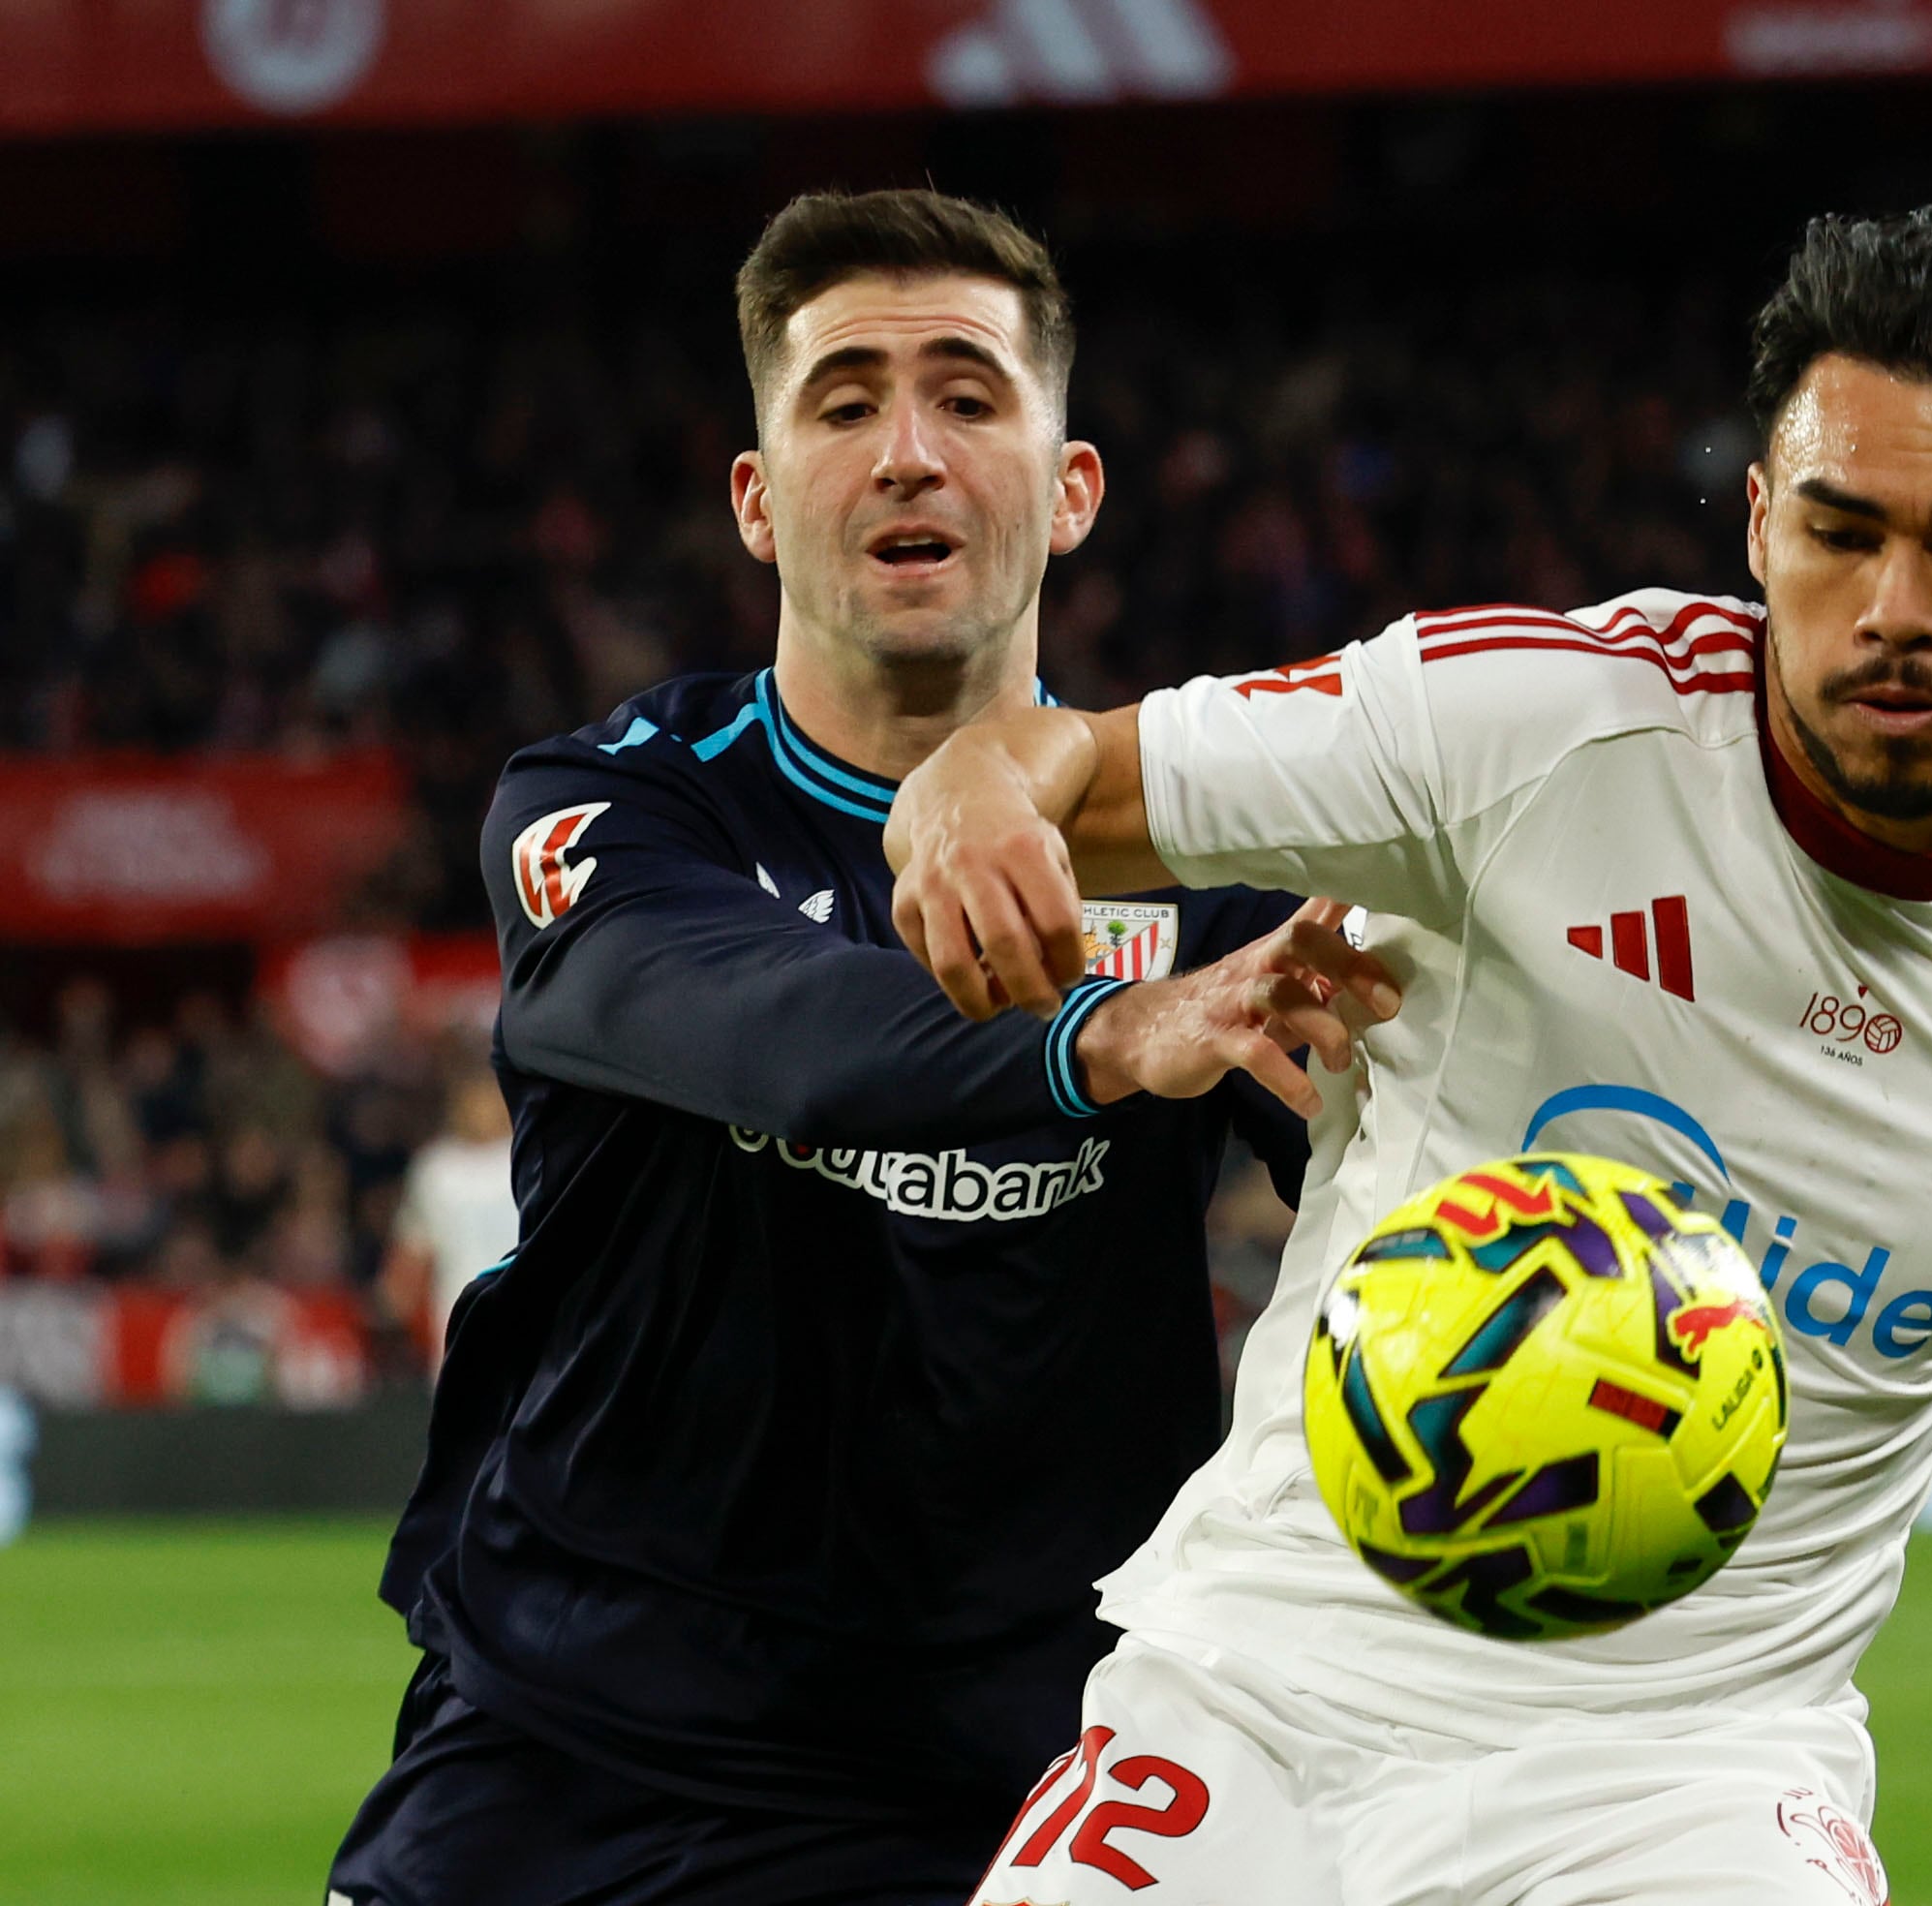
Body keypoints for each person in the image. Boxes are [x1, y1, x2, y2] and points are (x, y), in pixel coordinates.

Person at [890, 205, 1932, 1903]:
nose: (1896, 610)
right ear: (1762, 521)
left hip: (1692, 1772)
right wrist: (971, 789)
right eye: (1843, 533)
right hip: (1266, 1687)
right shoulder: (1525, 727)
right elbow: (1063, 766)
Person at [328, 189, 1393, 1906]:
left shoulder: (1216, 868)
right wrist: (1102, 1035)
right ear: (759, 500)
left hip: (1031, 1776)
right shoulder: (608, 804)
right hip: (585, 1747)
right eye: (843, 402)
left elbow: (1424, 1168)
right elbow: (776, 1028)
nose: (908, 450)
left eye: (969, 395)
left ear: (1072, 487)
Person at [377, 1064, 519, 1375]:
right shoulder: (436, 1170)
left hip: (533, 1330)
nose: (481, 1106)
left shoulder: (530, 1157)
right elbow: (412, 1254)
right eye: (473, 1097)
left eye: (489, 1096)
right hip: (461, 1331)